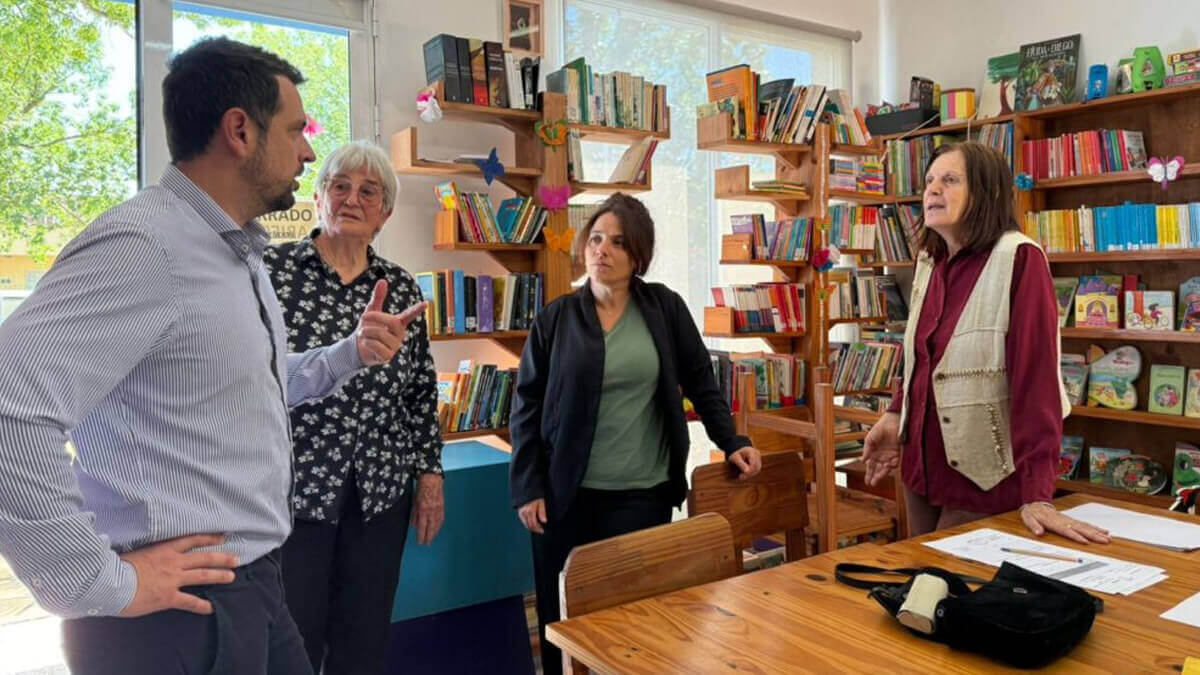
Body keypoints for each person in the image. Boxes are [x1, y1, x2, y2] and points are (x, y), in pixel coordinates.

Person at [0, 38, 425, 674]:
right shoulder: (147, 246)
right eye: (295, 130)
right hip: (173, 608)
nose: (307, 151)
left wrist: (348, 355)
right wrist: (91, 580)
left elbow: (260, 385)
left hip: (253, 584)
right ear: (239, 131)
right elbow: (11, 399)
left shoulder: (237, 255)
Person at [508, 193, 763, 675]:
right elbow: (526, 408)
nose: (602, 250)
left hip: (642, 494)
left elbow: (700, 381)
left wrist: (732, 440)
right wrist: (527, 486)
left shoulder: (664, 308)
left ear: (638, 255)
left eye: (618, 243)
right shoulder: (556, 318)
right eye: (597, 238)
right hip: (565, 497)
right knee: (563, 621)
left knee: (636, 623)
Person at [861, 142, 1109, 544]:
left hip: (984, 482)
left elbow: (1036, 382)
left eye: (950, 180)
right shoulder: (929, 259)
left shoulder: (1019, 258)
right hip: (920, 470)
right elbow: (920, 357)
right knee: (918, 591)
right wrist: (894, 414)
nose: (932, 190)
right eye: (929, 181)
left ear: (986, 192)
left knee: (950, 594)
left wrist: (1038, 494)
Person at [263, 140, 443, 675]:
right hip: (294, 493)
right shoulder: (273, 273)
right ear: (319, 197)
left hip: (379, 494)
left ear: (385, 212)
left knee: (363, 638)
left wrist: (429, 474)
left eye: (369, 191)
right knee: (292, 640)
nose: (352, 199)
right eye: (339, 186)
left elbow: (419, 390)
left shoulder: (401, 285)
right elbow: (250, 376)